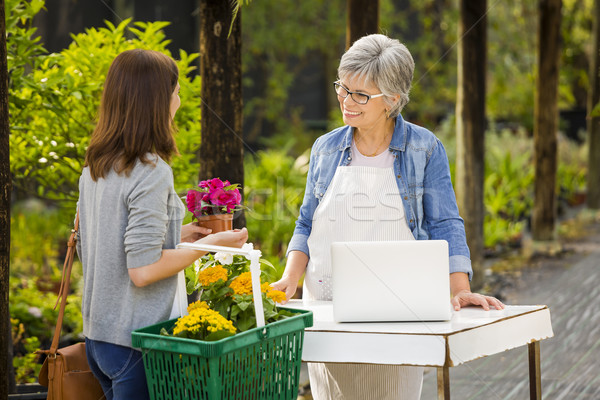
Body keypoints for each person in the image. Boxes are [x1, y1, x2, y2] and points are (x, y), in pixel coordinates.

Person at [272, 34, 504, 400]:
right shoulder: (326, 148)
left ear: (393, 100)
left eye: (360, 95)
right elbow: (306, 222)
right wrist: (290, 277)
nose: (346, 102)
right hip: (328, 307)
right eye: (342, 88)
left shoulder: (424, 147)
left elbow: (445, 222)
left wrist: (460, 291)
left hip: (401, 308)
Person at [76, 49, 248, 400]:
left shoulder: (96, 167)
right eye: (175, 92)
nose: (179, 100)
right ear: (156, 101)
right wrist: (209, 247)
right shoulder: (150, 171)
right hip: (137, 344)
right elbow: (142, 270)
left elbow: (97, 244)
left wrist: (180, 235)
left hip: (98, 341)